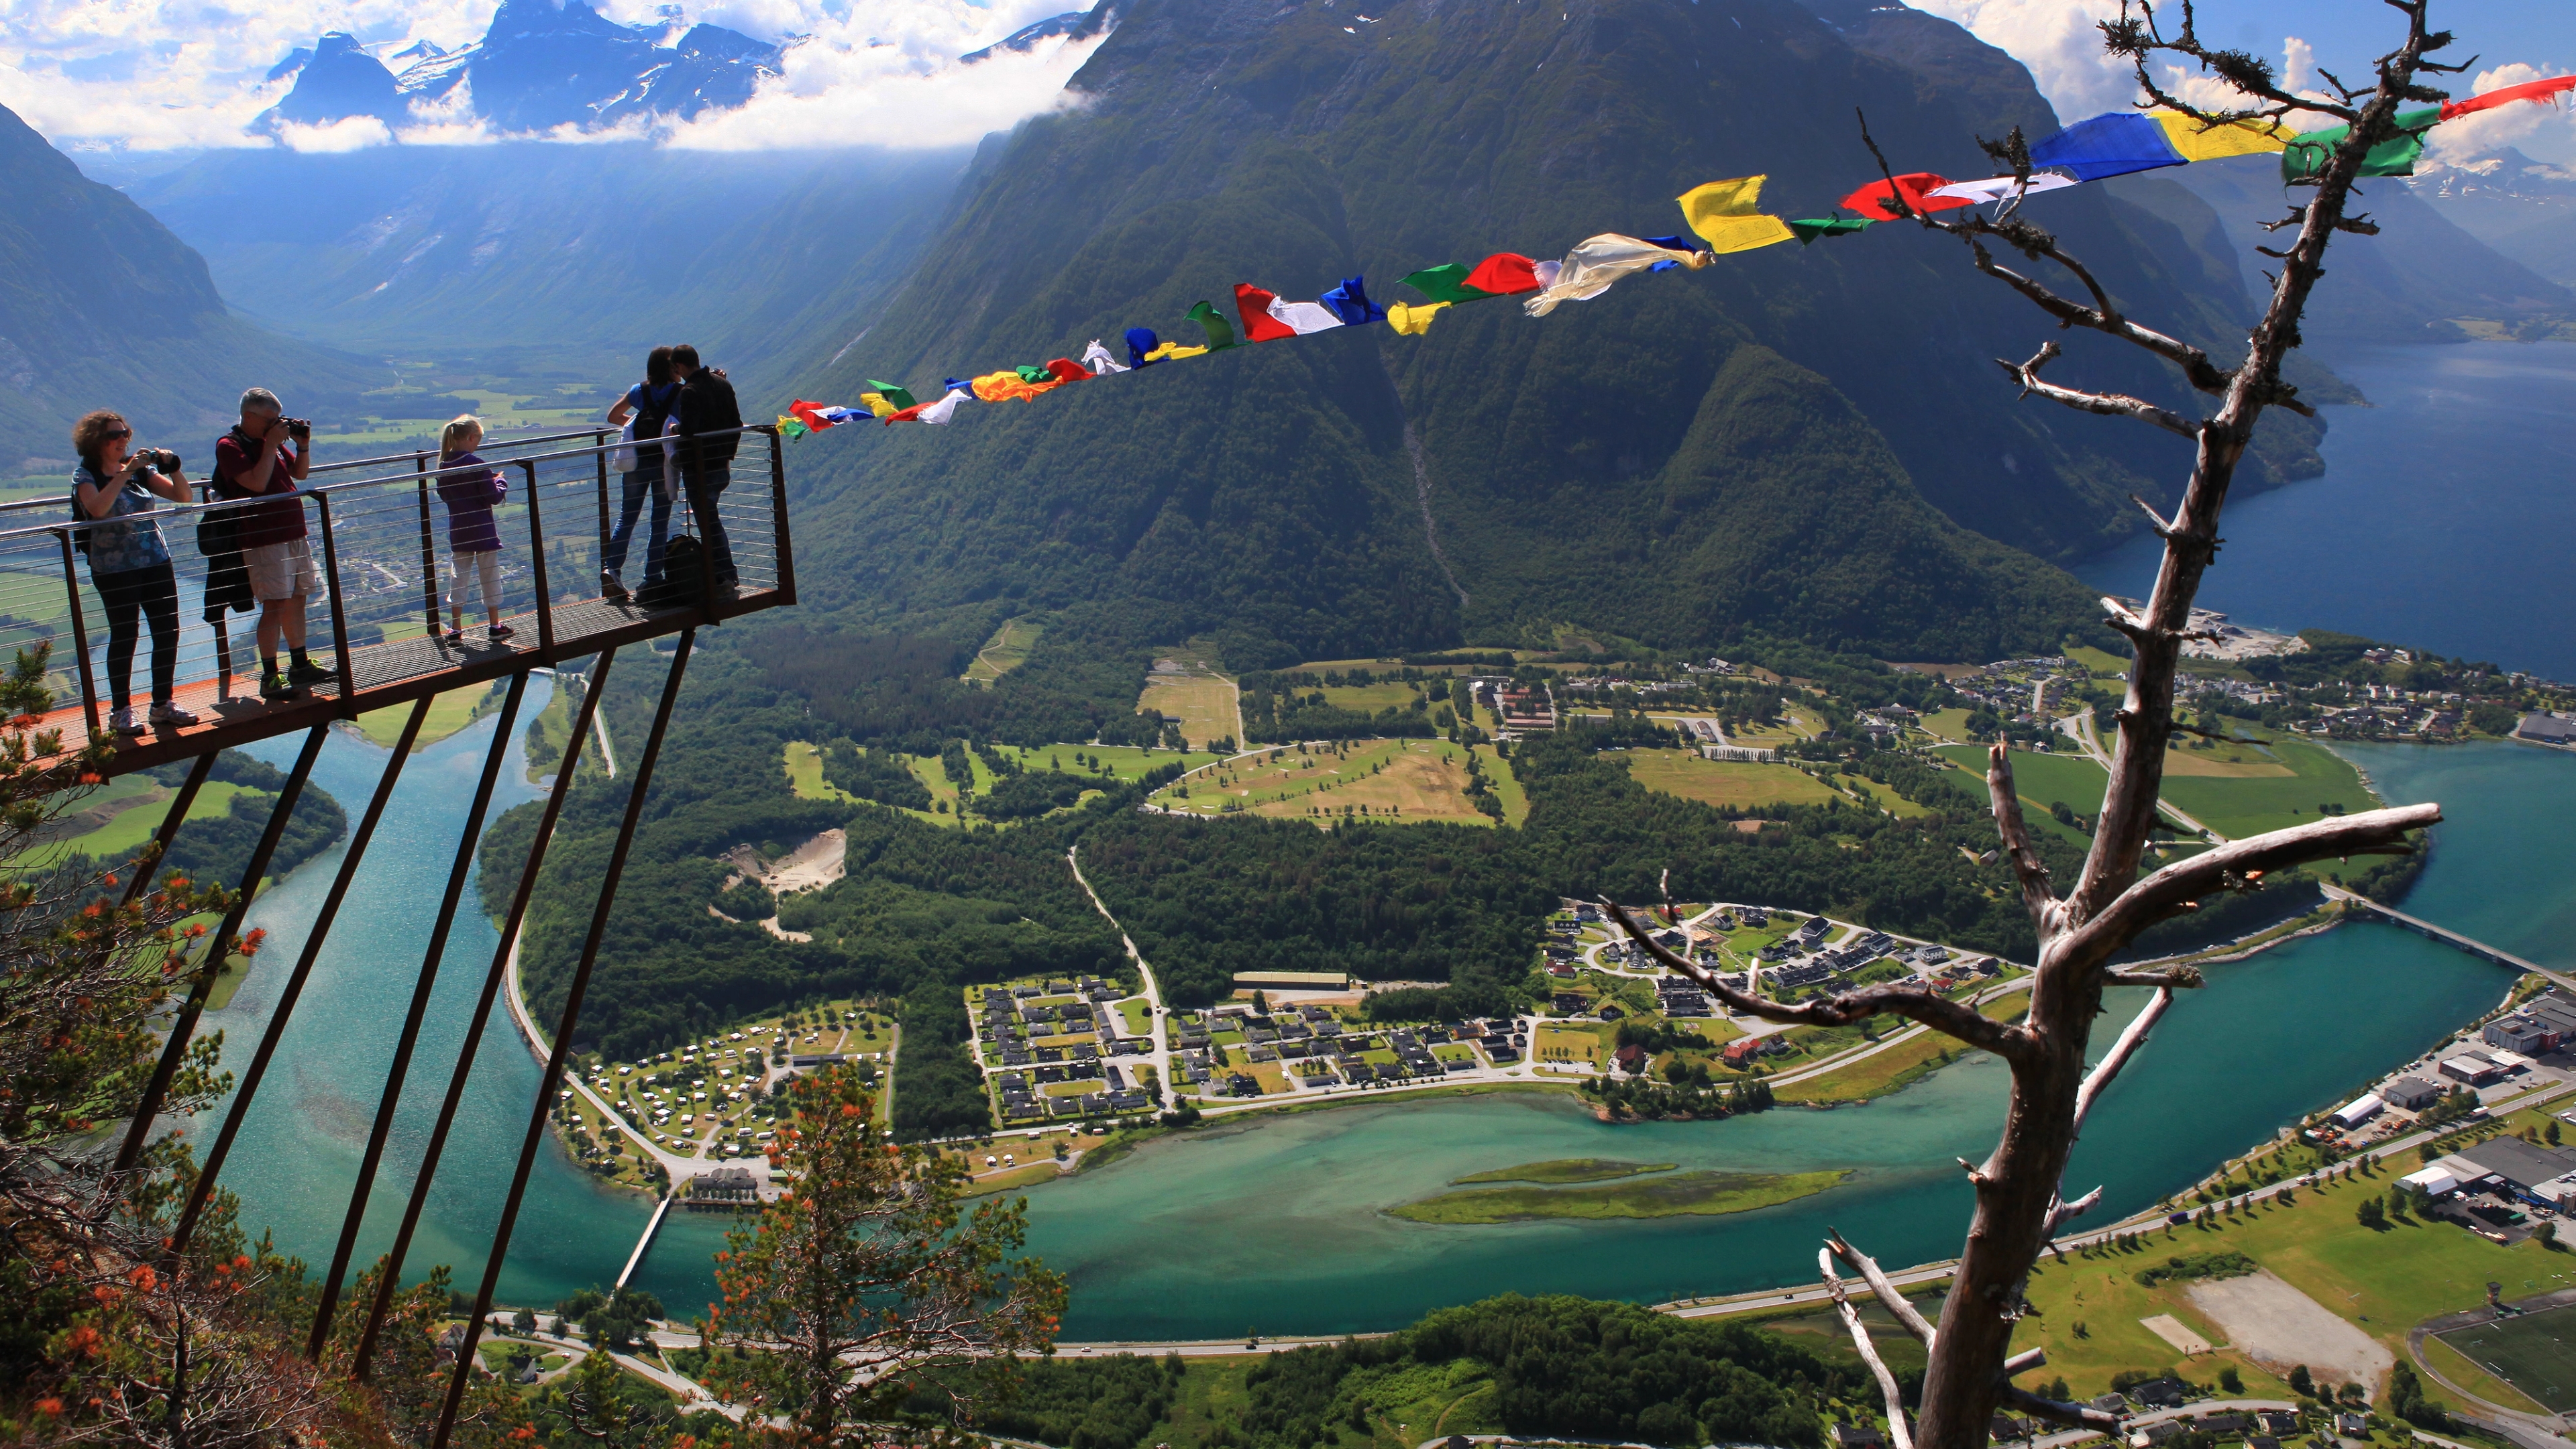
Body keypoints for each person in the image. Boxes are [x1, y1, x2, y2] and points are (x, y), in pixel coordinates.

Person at [70, 411, 197, 733]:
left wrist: (174, 468)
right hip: (114, 569)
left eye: (125, 432)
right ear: (97, 441)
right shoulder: (85, 475)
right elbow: (98, 509)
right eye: (115, 435)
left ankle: (162, 704)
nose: (123, 439)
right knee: (126, 635)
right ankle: (120, 711)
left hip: (155, 559)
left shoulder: (141, 470)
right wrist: (126, 474)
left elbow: (182, 496)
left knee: (167, 629)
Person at [211, 388, 336, 700]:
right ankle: (269, 676)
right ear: (249, 416)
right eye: (270, 419)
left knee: (298, 597)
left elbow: (300, 474)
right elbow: (255, 484)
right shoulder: (230, 445)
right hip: (263, 538)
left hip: (293, 531)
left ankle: (300, 664)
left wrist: (302, 446)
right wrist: (270, 447)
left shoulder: (273, 443)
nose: (276, 425)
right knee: (274, 604)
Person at [600, 346, 679, 604]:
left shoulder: (638, 391)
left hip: (635, 462)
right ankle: (652, 576)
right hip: (663, 464)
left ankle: (611, 569)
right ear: (671, 367)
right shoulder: (679, 393)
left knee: (627, 517)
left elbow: (613, 416)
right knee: (660, 522)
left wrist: (634, 425)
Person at [670, 343, 744, 591]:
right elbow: (736, 423)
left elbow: (689, 430)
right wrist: (727, 457)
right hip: (721, 464)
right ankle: (722, 574)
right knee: (711, 520)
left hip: (699, 469)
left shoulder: (690, 391)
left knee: (709, 523)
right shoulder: (723, 384)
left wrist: (675, 429)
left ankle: (725, 576)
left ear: (680, 366)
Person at [433, 415, 513, 643]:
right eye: (478, 440)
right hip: (483, 530)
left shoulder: (443, 466)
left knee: (459, 576)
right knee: (490, 576)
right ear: (470, 437)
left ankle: (456, 629)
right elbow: (494, 497)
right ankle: (495, 625)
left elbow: (445, 496)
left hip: (459, 530)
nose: (478, 445)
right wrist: (500, 482)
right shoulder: (477, 465)